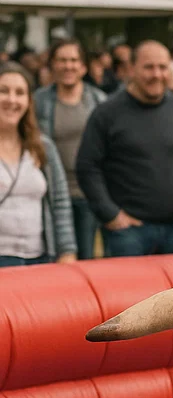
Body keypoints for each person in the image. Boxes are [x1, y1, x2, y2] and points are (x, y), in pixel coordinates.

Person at [77, 41, 173, 257]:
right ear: (131, 69)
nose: (156, 74)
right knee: (128, 292)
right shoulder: (106, 113)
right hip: (128, 232)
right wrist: (109, 213)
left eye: (162, 67)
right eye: (149, 67)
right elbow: (87, 167)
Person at [33, 40, 107, 259]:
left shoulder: (98, 101)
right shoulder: (39, 101)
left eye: (74, 60)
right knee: (54, 256)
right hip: (52, 193)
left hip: (87, 193)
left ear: (83, 67)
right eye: (62, 60)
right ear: (52, 65)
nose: (68, 66)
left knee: (85, 258)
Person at [0, 63, 76, 266]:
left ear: (28, 101)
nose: (12, 99)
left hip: (39, 258)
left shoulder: (43, 146)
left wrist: (67, 251)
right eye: (4, 91)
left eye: (20, 93)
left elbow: (60, 202)